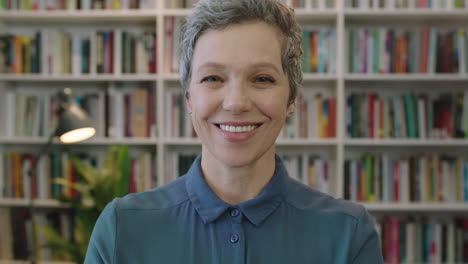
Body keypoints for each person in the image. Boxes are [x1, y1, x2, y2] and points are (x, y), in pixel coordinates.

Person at [84, 0, 384, 263]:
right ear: (188, 97)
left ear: (291, 99)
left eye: (262, 79)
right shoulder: (121, 228)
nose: (236, 103)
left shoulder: (349, 234)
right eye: (213, 77)